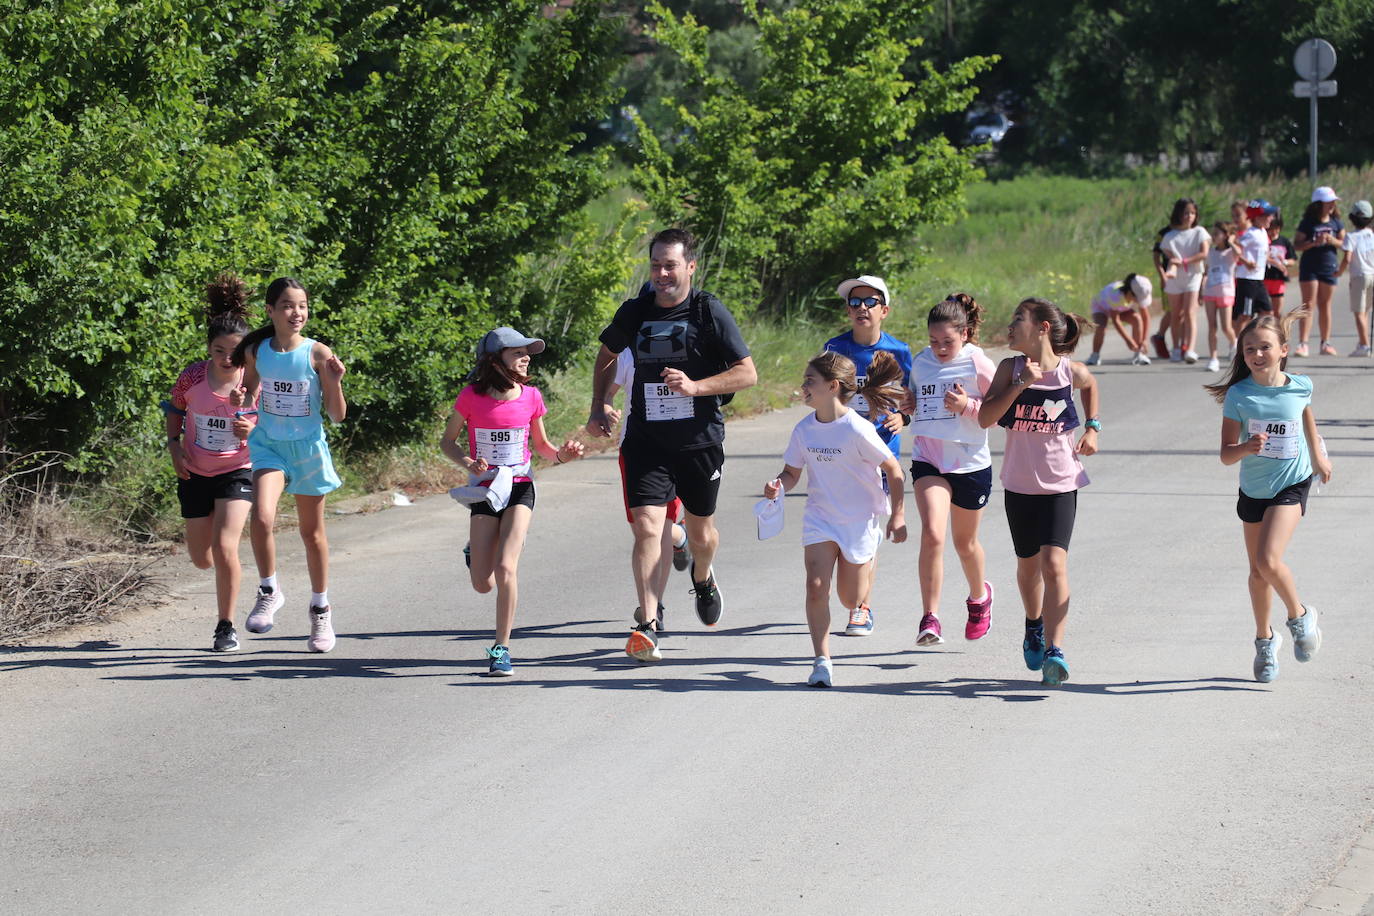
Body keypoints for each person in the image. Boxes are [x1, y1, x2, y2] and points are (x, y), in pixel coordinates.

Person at [588, 228, 757, 663]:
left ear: (690, 267)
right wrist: (600, 403)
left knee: (702, 535)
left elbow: (747, 374)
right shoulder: (636, 311)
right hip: (646, 440)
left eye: (671, 265)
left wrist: (697, 386)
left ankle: (702, 576)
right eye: (656, 265)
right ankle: (646, 625)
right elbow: (606, 355)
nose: (662, 274)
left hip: (699, 441)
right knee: (647, 527)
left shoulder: (708, 311)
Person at [441, 328, 585, 676]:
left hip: (520, 487)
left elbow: (543, 447)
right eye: (517, 352)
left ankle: (501, 648)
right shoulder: (471, 397)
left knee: (507, 568)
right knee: (482, 583)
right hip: (485, 491)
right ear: (494, 360)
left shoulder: (532, 397)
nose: (526, 358)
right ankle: (474, 552)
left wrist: (563, 456)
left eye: (527, 352)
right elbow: (448, 442)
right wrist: (467, 463)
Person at [762, 351, 907, 687]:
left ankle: (869, 559)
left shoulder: (857, 429)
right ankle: (821, 660)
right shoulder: (804, 430)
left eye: (809, 381)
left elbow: (894, 470)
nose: (803, 387)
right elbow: (792, 472)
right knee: (815, 588)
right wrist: (778, 485)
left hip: (858, 518)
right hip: (821, 517)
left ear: (832, 386)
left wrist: (897, 515)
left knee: (850, 598)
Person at [1205, 307, 1330, 682]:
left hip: (1292, 482)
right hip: (1253, 488)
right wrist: (1247, 447)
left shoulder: (1300, 385)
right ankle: (1265, 640)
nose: (1257, 355)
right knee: (1257, 573)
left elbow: (1305, 414)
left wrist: (1319, 455)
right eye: (1249, 350)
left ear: (1283, 350)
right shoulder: (1239, 395)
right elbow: (1227, 454)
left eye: (1264, 348)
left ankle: (1300, 616)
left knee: (1269, 560)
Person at [978, 298, 1099, 687]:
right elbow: (985, 417)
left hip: (1062, 482)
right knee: (1029, 567)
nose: (1010, 326)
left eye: (1018, 319)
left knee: (1055, 565)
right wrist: (1021, 384)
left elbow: (1090, 383)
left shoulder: (1069, 371)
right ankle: (1034, 625)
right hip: (1019, 484)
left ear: (1042, 328)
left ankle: (1055, 649)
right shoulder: (1010, 368)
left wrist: (1093, 427)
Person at [229, 277, 347, 653]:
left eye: (302, 306)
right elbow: (247, 392)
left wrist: (336, 382)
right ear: (270, 311)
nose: (297, 313)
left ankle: (320, 610)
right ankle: (269, 590)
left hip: (308, 449)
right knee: (262, 517)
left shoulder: (317, 353)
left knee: (312, 535)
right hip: (269, 447)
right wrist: (240, 400)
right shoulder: (257, 351)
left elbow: (337, 415)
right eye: (287, 306)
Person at [163, 274, 256, 652]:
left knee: (225, 548)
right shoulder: (193, 377)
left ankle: (225, 626)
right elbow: (174, 410)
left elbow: (270, 423)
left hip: (238, 469)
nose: (226, 358)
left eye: (234, 351)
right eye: (219, 350)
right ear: (209, 349)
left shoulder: (255, 380)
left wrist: (248, 427)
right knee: (202, 559)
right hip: (195, 470)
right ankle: (220, 581)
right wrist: (173, 445)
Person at [821, 274, 913, 636]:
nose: (861, 308)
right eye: (854, 302)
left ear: (884, 310)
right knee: (841, 524)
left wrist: (903, 417)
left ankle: (862, 607)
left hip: (880, 453)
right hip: (841, 452)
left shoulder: (900, 352)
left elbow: (912, 398)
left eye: (869, 301)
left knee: (869, 532)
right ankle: (843, 584)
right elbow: (821, 391)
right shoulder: (834, 347)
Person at [907, 294, 997, 647]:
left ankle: (979, 598)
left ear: (965, 334)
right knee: (932, 533)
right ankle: (930, 617)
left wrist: (968, 406)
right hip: (929, 457)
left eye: (948, 341)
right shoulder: (920, 362)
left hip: (970, 463)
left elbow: (1000, 410)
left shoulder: (979, 363)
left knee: (965, 543)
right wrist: (909, 402)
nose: (940, 348)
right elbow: (914, 399)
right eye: (933, 341)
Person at [592, 339, 693, 635]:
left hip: (684, 446)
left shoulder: (689, 342)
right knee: (647, 529)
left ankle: (654, 608)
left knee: (659, 528)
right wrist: (606, 408)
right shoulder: (628, 349)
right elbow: (609, 391)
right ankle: (680, 539)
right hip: (638, 448)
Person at [1293, 186, 1345, 356]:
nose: (1332, 205)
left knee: (1325, 304)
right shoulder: (1307, 223)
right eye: (1328, 202)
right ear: (1318, 204)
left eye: (1333, 202)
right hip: (1310, 267)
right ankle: (1303, 344)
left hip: (1328, 266)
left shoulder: (1336, 222)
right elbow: (1297, 245)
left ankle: (1325, 343)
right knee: (1308, 304)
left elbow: (1345, 244)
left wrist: (1332, 240)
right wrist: (1313, 243)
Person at [1160, 198, 1210, 364]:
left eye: (1193, 213)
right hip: (1175, 279)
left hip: (1193, 275)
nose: (1190, 216)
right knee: (1176, 314)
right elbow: (1169, 255)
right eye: (1186, 213)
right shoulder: (1169, 236)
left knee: (1190, 312)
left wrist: (1185, 261)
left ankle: (1190, 348)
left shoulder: (1200, 232)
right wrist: (1176, 263)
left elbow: (1204, 253)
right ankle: (1175, 348)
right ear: (1179, 214)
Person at [1085, 273, 1153, 366]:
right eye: (1138, 299)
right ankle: (1095, 355)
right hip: (1101, 307)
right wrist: (1129, 341)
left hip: (1121, 308)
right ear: (1130, 293)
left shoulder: (1137, 291)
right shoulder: (1115, 296)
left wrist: (1145, 340)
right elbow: (1116, 320)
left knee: (1137, 318)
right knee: (1101, 327)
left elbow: (1145, 317)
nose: (1139, 302)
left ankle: (1139, 353)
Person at [1337, 199, 1374, 356]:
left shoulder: (1351, 237)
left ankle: (1365, 345)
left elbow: (1347, 258)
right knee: (1365, 311)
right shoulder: (1371, 235)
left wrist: (1339, 272)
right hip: (1372, 274)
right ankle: (1362, 342)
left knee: (1359, 312)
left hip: (1359, 276)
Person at [1202, 222, 1240, 372]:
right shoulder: (1210, 252)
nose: (1214, 236)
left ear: (1225, 235)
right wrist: (1201, 289)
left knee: (1226, 327)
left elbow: (1239, 254)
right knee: (1212, 326)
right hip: (1210, 291)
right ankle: (1213, 358)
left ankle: (1234, 343)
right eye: (1213, 233)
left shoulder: (1231, 252)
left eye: (1217, 233)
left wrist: (1231, 242)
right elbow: (1206, 271)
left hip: (1226, 292)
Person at [1233, 200, 1275, 339]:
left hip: (1258, 279)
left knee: (1267, 312)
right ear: (1257, 217)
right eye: (1268, 215)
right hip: (1247, 279)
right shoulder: (1250, 233)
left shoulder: (1263, 232)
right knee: (1245, 315)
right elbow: (1235, 247)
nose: (1271, 218)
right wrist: (1245, 262)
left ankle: (1261, 339)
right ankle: (1237, 345)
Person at [1263, 212, 1296, 315]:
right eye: (1270, 229)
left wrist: (1284, 262)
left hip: (1278, 279)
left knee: (1277, 311)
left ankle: (1277, 330)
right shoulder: (1263, 240)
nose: (1273, 232)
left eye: (1276, 228)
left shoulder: (1284, 241)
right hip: (1263, 279)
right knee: (1266, 311)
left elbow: (1293, 260)